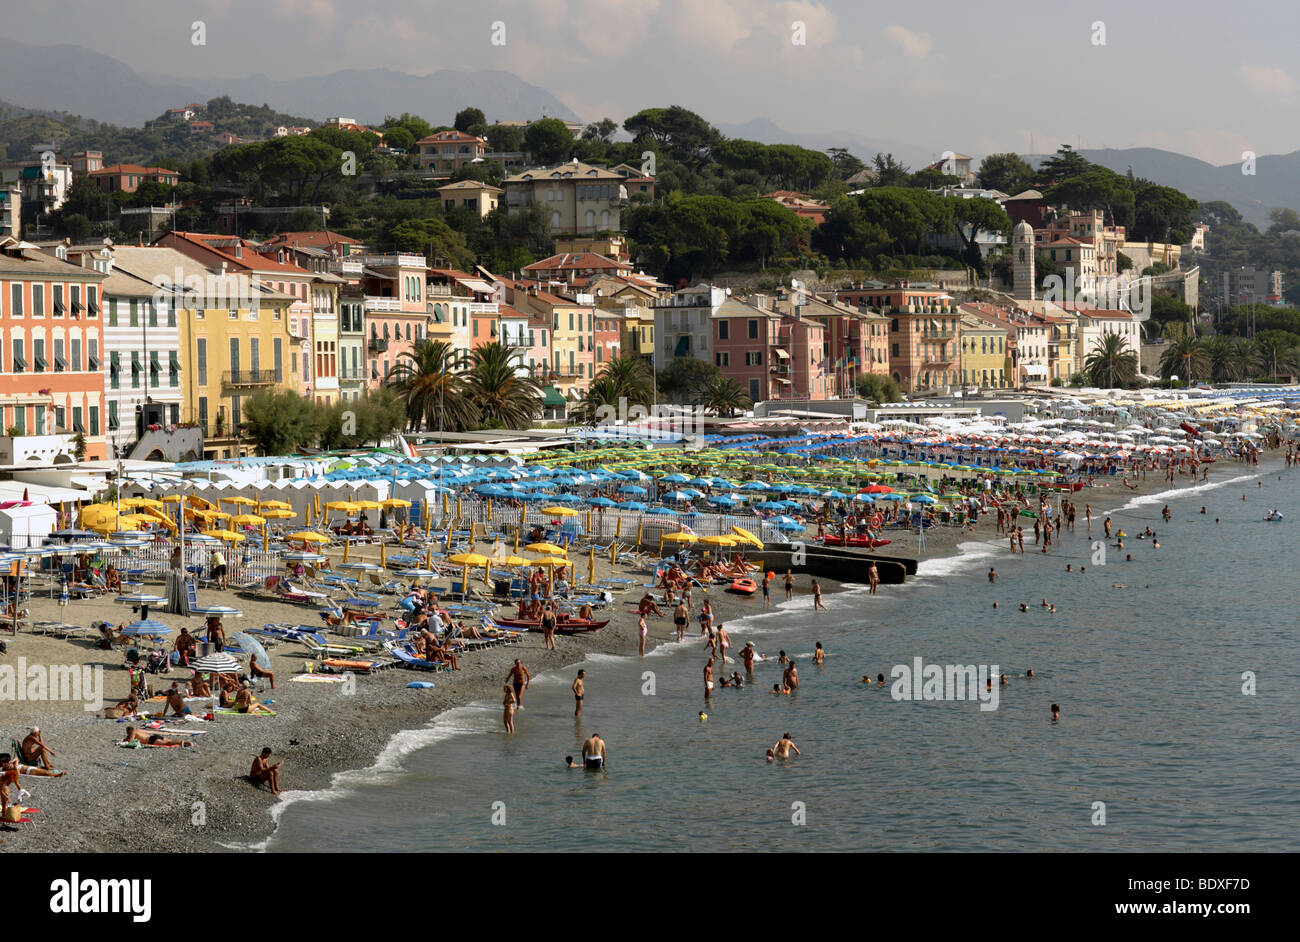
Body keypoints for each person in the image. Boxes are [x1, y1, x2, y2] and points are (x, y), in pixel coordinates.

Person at [121, 726, 193, 748]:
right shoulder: (138, 730)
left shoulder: (133, 733)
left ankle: (181, 742)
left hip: (151, 740)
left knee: (167, 743)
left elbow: (130, 742)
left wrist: (126, 740)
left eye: (127, 732)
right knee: (170, 740)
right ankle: (187, 742)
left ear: (129, 731)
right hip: (154, 736)